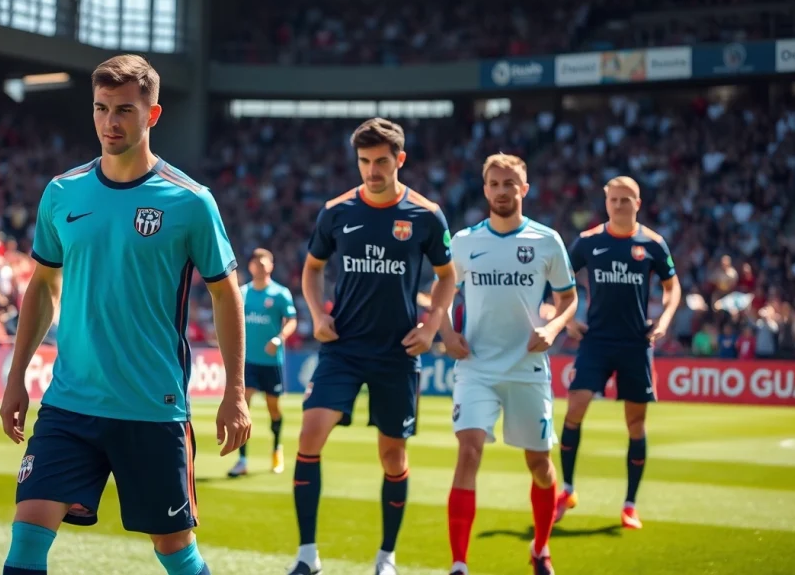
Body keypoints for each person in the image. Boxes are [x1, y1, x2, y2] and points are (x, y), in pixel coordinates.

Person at [0, 54, 252, 575]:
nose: (110, 123)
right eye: (101, 108)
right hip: (69, 404)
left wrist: (236, 390)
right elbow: (43, 285)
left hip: (151, 408)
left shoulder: (190, 201)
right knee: (24, 545)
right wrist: (17, 377)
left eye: (124, 111)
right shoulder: (62, 192)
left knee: (177, 555)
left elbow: (227, 295)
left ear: (152, 115)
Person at [288, 118, 458, 575]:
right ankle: (307, 554)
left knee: (392, 456)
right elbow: (311, 269)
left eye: (381, 161)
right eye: (364, 161)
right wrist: (317, 315)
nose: (371, 170)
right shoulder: (337, 210)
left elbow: (447, 277)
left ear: (399, 160)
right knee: (309, 437)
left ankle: (387, 555)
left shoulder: (425, 214)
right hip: (342, 348)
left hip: (397, 353)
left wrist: (431, 326)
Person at [441, 153, 578, 575]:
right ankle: (460, 564)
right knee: (469, 452)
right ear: (485, 190)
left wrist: (553, 329)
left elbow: (568, 299)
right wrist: (446, 334)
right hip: (476, 367)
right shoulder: (463, 241)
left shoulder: (547, 240)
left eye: (510, 184)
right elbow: (441, 295)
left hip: (527, 368)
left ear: (524, 188)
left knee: (539, 467)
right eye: (495, 184)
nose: (502, 191)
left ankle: (540, 549)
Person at [556, 176, 681, 530]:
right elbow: (559, 279)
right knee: (575, 406)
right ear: (606, 202)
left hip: (635, 344)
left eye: (627, 199)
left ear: (638, 203)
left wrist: (666, 319)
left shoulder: (653, 244)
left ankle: (629, 504)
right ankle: (566, 489)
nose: (620, 205)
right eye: (614, 199)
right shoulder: (589, 241)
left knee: (635, 424)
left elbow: (673, 288)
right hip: (596, 340)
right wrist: (567, 321)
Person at [227, 247, 298, 477]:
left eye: (264, 263)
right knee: (243, 407)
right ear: (250, 266)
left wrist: (279, 338)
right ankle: (243, 460)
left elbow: (291, 321)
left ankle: (277, 449)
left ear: (271, 266)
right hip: (248, 362)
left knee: (273, 408)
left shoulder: (280, 294)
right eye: (256, 263)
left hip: (271, 363)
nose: (260, 266)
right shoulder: (243, 293)